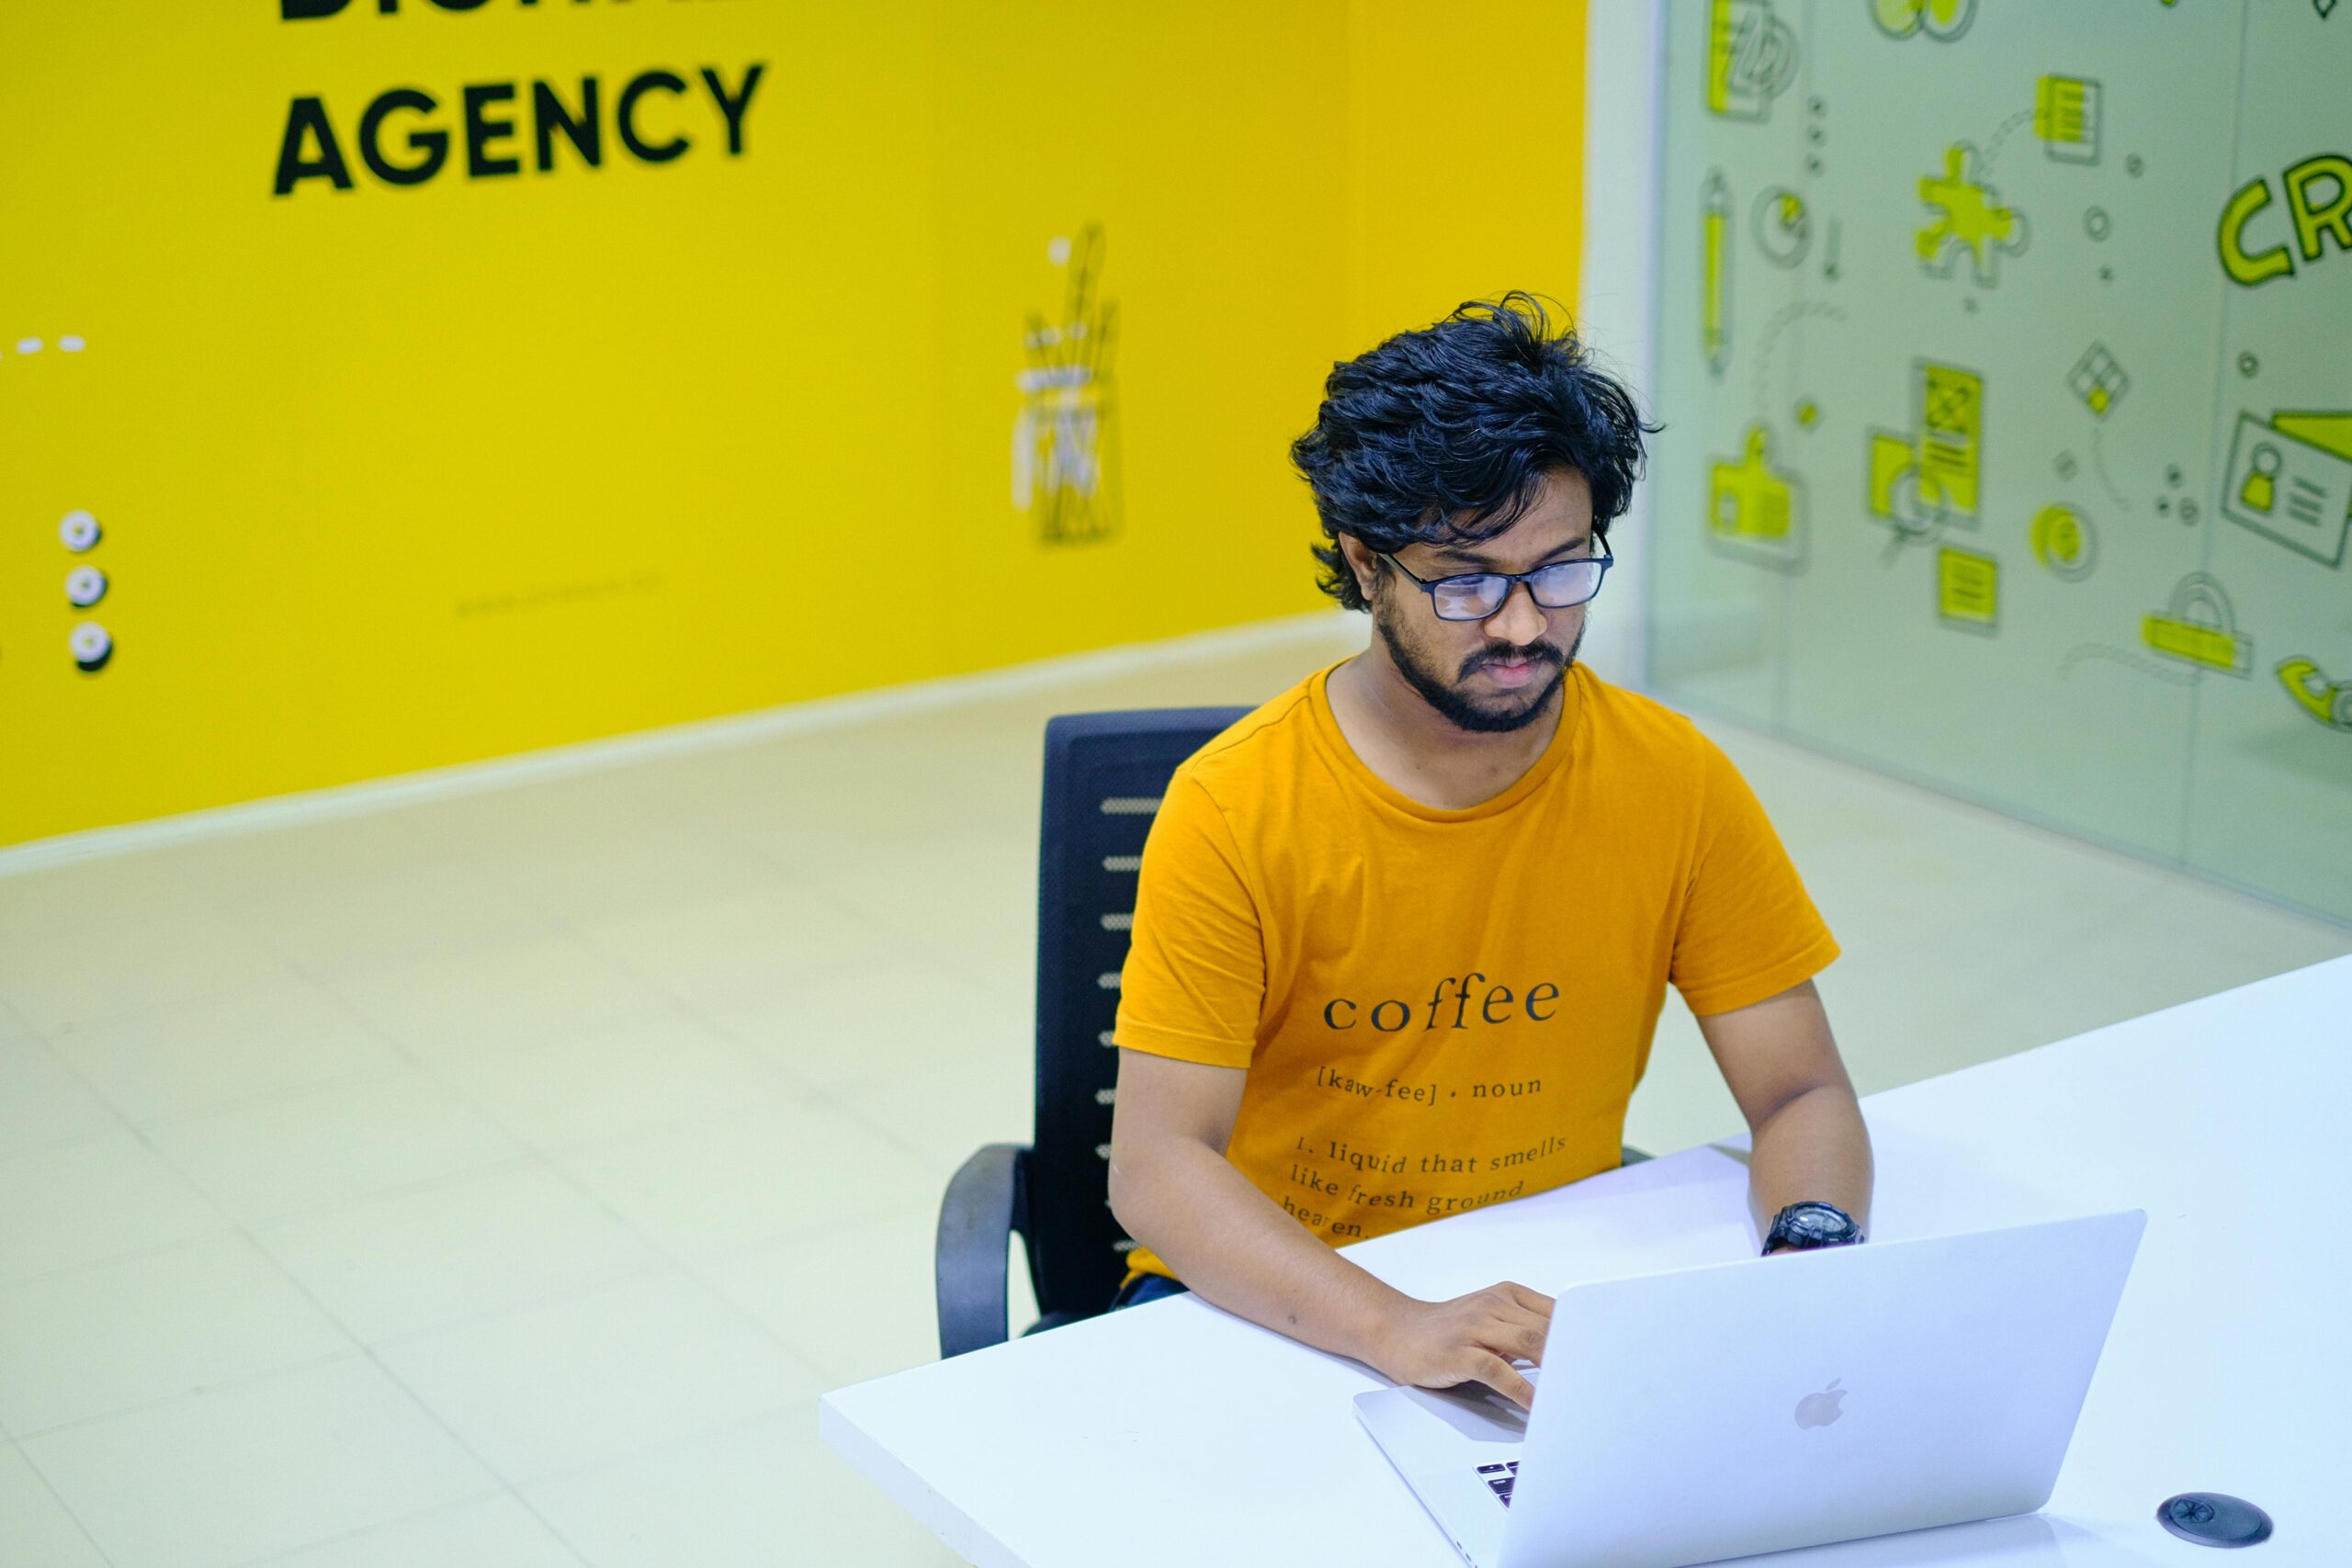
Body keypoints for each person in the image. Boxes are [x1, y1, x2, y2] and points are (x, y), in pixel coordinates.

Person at [1104, 295, 1872, 1412]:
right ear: (1365, 565)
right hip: (1280, 1296)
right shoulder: (1235, 806)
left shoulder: (1673, 778)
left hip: (1541, 1286)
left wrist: (1811, 1253)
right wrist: (1392, 1325)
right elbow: (1158, 1170)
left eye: (1558, 570)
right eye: (1464, 582)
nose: (1521, 626)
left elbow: (1800, 1090)